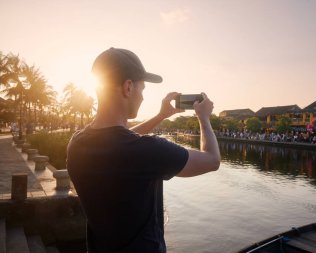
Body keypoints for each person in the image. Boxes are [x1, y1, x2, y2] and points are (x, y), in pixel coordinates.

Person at [66, 47, 221, 253]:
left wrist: (160, 116)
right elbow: (212, 160)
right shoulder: (148, 151)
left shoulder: (77, 144)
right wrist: (204, 118)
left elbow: (120, 140)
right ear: (128, 87)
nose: (142, 97)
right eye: (143, 89)